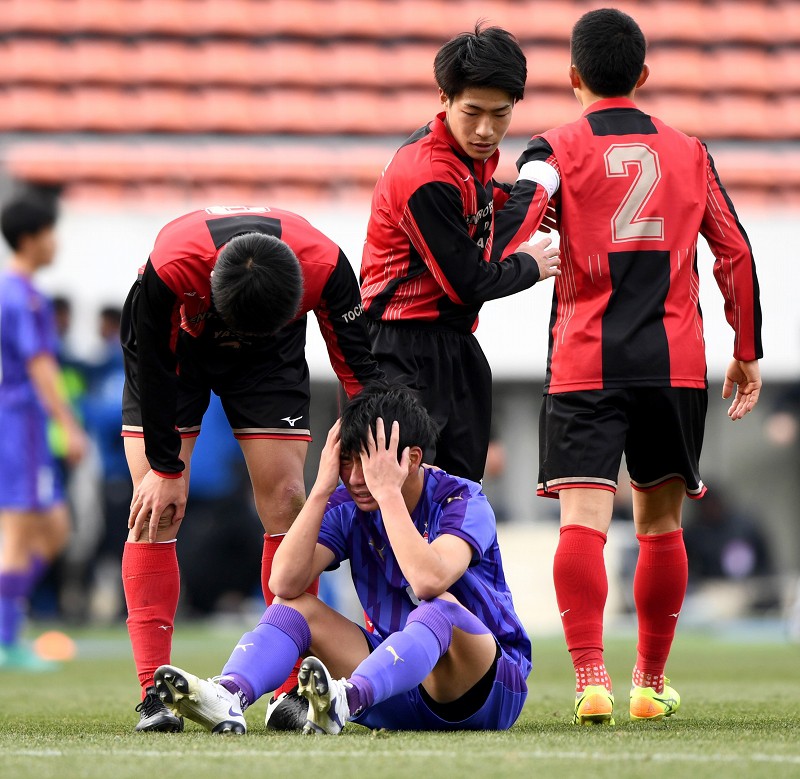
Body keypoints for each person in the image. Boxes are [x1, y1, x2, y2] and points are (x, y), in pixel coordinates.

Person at [492, 8, 763, 724]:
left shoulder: (553, 147)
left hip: (585, 359)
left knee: (582, 521)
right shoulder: (690, 152)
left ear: (572, 76)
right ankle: (649, 682)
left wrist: (499, 260)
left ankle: (591, 678)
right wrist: (745, 351)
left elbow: (520, 217)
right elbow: (735, 253)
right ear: (642, 76)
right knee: (661, 525)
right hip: (672, 364)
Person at [120, 205, 382, 731]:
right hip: (178, 350)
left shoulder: (326, 267)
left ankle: (288, 691)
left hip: (270, 358)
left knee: (287, 503)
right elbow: (150, 366)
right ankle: (155, 692)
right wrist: (165, 468)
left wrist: (370, 450)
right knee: (156, 509)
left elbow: (359, 369)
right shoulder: (171, 269)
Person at [151, 383, 531, 734]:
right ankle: (230, 694)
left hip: (486, 690)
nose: (356, 477)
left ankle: (344, 700)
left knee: (440, 607)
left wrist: (388, 494)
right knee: (293, 605)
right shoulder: (348, 503)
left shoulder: (462, 501)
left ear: (412, 459)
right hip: (393, 685)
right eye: (347, 460)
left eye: (370, 462)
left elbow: (428, 582)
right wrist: (321, 488)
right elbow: (283, 581)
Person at [359, 23, 561, 482]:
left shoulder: (466, 157)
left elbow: (480, 202)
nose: (486, 130)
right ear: (444, 99)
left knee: (459, 492)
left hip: (453, 344)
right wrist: (529, 265)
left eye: (500, 114)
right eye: (473, 112)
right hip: (396, 350)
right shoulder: (425, 175)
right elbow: (467, 284)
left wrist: (520, 198)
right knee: (401, 493)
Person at [0, 191, 88, 669]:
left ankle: (7, 618)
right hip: (23, 425)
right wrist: (68, 427)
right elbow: (40, 366)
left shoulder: (14, 291)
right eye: (51, 233)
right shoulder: (23, 296)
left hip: (19, 423)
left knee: (54, 529)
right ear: (31, 238)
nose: (57, 243)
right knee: (19, 529)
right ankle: (5, 638)